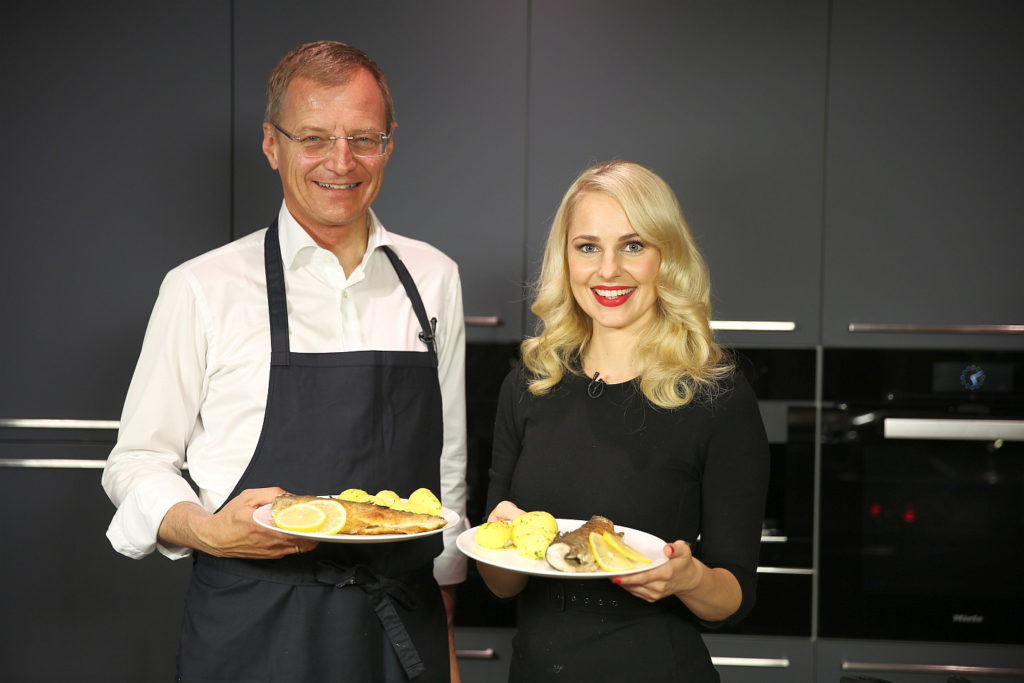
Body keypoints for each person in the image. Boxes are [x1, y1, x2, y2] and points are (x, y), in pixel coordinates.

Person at [102, 41, 467, 682]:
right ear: (272, 145)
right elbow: (136, 460)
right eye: (314, 138)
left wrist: (444, 618)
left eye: (363, 138)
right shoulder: (202, 287)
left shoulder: (434, 277)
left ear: (389, 143)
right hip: (253, 625)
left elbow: (447, 466)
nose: (341, 162)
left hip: (398, 628)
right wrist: (208, 531)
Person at [479, 160, 769, 682]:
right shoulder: (528, 385)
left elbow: (733, 598)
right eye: (588, 247)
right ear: (566, 259)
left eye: (633, 245)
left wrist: (688, 578)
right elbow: (502, 586)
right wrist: (494, 538)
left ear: (666, 257)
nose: (608, 270)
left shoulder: (718, 396)